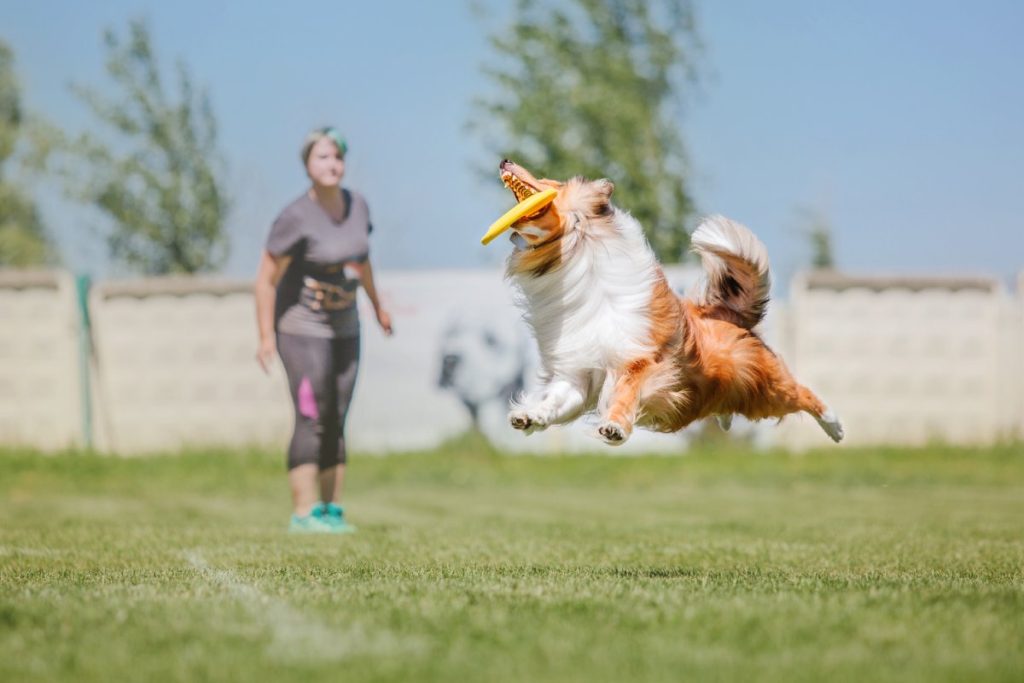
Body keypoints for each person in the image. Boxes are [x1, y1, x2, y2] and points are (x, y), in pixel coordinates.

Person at [254, 126, 392, 533]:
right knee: (312, 413)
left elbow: (362, 262)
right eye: (322, 157)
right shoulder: (294, 217)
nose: (332, 164)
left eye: (337, 157)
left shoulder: (359, 206)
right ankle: (304, 511)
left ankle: (332, 510)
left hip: (345, 325)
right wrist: (265, 336)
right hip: (300, 328)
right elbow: (265, 280)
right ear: (307, 165)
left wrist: (378, 306)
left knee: (337, 413)